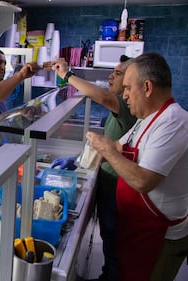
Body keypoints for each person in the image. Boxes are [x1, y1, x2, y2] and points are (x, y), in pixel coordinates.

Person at [86, 52, 188, 281]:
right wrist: (85, 159)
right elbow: (118, 147)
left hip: (161, 236)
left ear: (148, 87)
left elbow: (144, 181)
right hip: (138, 227)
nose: (125, 95)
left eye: (129, 88)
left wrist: (107, 151)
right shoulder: (146, 119)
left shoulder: (172, 122)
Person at [45, 55, 137, 281]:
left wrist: (67, 75)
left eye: (117, 74)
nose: (110, 76)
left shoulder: (123, 104)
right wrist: (77, 160)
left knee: (114, 239)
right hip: (109, 182)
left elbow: (102, 96)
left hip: (117, 187)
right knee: (109, 238)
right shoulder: (121, 106)